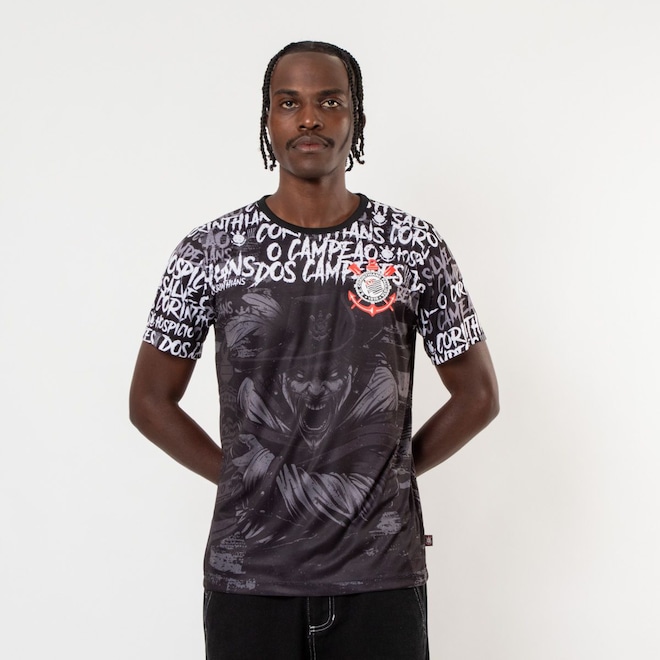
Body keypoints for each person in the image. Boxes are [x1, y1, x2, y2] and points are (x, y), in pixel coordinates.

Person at [129, 40, 499, 660]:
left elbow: (478, 396)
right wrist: (251, 479)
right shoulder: (210, 251)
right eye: (289, 103)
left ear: (356, 118)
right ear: (267, 121)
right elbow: (149, 401)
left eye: (329, 102)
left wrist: (387, 476)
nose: (308, 118)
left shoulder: (411, 245)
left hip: (379, 576)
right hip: (251, 576)